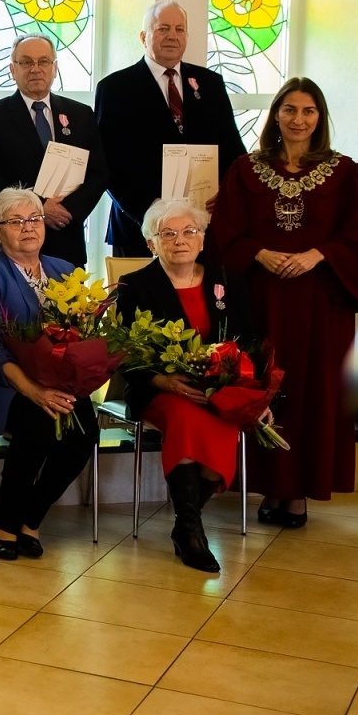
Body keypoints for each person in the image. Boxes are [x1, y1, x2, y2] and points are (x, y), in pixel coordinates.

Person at [209, 78, 358, 526]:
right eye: (289, 109)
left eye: (308, 111)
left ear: (320, 117)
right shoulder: (245, 170)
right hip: (264, 300)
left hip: (323, 302)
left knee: (313, 391)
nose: (298, 119)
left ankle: (300, 489)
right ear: (276, 115)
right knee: (267, 387)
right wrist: (260, 254)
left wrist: (316, 255)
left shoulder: (346, 173)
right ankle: (271, 486)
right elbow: (225, 232)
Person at [116, 198, 255, 574]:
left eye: (189, 231)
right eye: (168, 233)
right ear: (151, 243)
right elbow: (124, 351)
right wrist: (163, 380)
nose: (180, 240)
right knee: (186, 417)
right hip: (159, 390)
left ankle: (184, 524)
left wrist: (238, 381)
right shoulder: (136, 286)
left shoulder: (227, 280)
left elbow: (249, 340)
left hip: (216, 391)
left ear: (203, 238)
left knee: (225, 423)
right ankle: (192, 533)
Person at [0, 188, 96, 561]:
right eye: (16, 221)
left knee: (85, 435)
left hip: (62, 381)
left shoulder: (66, 270)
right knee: (37, 425)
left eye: (35, 219)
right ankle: (5, 522)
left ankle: (32, 517)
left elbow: (82, 335)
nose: (28, 228)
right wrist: (34, 390)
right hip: (7, 383)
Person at [94, 0, 245, 256]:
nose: (172, 36)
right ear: (144, 36)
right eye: (163, 29)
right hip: (138, 227)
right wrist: (148, 210)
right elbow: (107, 160)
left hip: (201, 226)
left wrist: (226, 196)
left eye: (179, 29)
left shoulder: (211, 84)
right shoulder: (116, 88)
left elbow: (233, 151)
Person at [0, 33, 108, 267]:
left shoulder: (81, 114)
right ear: (12, 70)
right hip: (15, 242)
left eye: (43, 61)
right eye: (26, 62)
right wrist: (40, 207)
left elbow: (99, 173)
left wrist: (68, 210)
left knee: (71, 305)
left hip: (67, 239)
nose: (36, 69)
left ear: (54, 68)